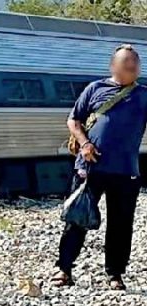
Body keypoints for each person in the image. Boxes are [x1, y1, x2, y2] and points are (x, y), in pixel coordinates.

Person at [55, 44, 147, 291]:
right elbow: (73, 120)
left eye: (135, 61)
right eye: (127, 61)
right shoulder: (95, 88)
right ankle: (64, 269)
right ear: (113, 65)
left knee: (121, 223)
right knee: (77, 217)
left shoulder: (143, 95)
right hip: (90, 167)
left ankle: (115, 273)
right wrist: (84, 143)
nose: (132, 65)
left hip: (126, 170)